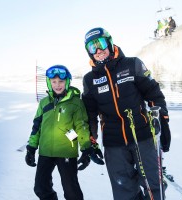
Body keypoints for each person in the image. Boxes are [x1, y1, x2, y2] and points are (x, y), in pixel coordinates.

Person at [82, 27, 171, 200]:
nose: (98, 51)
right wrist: (91, 141)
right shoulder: (89, 80)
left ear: (109, 42)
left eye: (100, 44)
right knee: (124, 191)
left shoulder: (132, 65)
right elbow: (89, 115)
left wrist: (163, 121)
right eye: (92, 47)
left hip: (143, 135)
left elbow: (154, 94)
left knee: (154, 187)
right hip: (113, 143)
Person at [25, 65, 104, 200]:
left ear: (67, 81)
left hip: (66, 152)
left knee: (71, 191)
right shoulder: (44, 103)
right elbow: (36, 126)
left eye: (61, 81)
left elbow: (82, 127)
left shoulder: (76, 103)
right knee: (40, 187)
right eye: (54, 82)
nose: (57, 85)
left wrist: (86, 149)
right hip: (45, 152)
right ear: (49, 83)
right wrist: (31, 148)